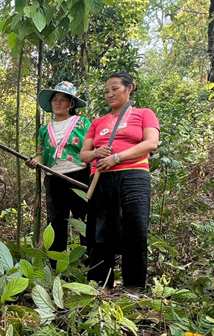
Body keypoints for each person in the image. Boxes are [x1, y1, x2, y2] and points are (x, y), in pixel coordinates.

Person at [80, 72, 159, 297]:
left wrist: (116, 157)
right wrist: (96, 152)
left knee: (134, 228)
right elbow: (84, 155)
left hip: (134, 175)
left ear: (130, 87)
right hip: (101, 178)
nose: (109, 94)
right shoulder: (98, 122)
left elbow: (151, 143)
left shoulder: (144, 114)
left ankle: (132, 288)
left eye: (115, 88)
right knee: (100, 231)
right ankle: (102, 285)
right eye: (106, 91)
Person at [26, 80, 92, 266]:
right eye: (55, 99)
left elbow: (92, 148)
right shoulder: (44, 129)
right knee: (56, 220)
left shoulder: (82, 123)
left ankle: (87, 264)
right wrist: (35, 162)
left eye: (63, 99)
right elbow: (41, 155)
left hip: (79, 175)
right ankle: (57, 266)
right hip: (53, 178)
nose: (58, 103)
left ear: (71, 103)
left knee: (83, 219)